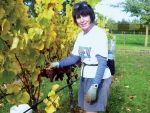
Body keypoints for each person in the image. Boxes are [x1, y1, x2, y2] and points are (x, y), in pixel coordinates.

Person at [46, 1, 112, 113]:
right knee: (87, 109)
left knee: (91, 111)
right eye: (78, 17)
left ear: (91, 16)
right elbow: (74, 57)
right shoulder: (80, 36)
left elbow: (102, 63)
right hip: (85, 76)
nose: (82, 20)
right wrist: (57, 64)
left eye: (85, 15)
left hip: (98, 78)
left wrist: (95, 85)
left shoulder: (98, 34)